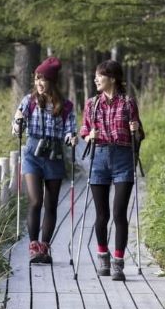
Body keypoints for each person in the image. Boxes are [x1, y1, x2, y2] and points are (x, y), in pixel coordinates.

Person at [79, 60, 144, 281]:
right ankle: (103, 257)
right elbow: (84, 131)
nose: (96, 79)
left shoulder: (128, 103)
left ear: (112, 79)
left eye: (100, 76)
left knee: (119, 214)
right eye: (96, 76)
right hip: (99, 158)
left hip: (123, 159)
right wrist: (89, 136)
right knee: (101, 214)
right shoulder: (92, 104)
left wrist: (136, 129)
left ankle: (118, 263)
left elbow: (138, 135)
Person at [12, 57, 77, 264]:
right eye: (37, 79)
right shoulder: (28, 101)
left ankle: (45, 247)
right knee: (35, 201)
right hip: (32, 153)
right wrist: (18, 123)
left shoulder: (65, 106)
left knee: (50, 204)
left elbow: (70, 130)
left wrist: (71, 138)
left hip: (54, 155)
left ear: (52, 81)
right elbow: (16, 129)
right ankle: (33, 246)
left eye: (43, 79)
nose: (39, 83)